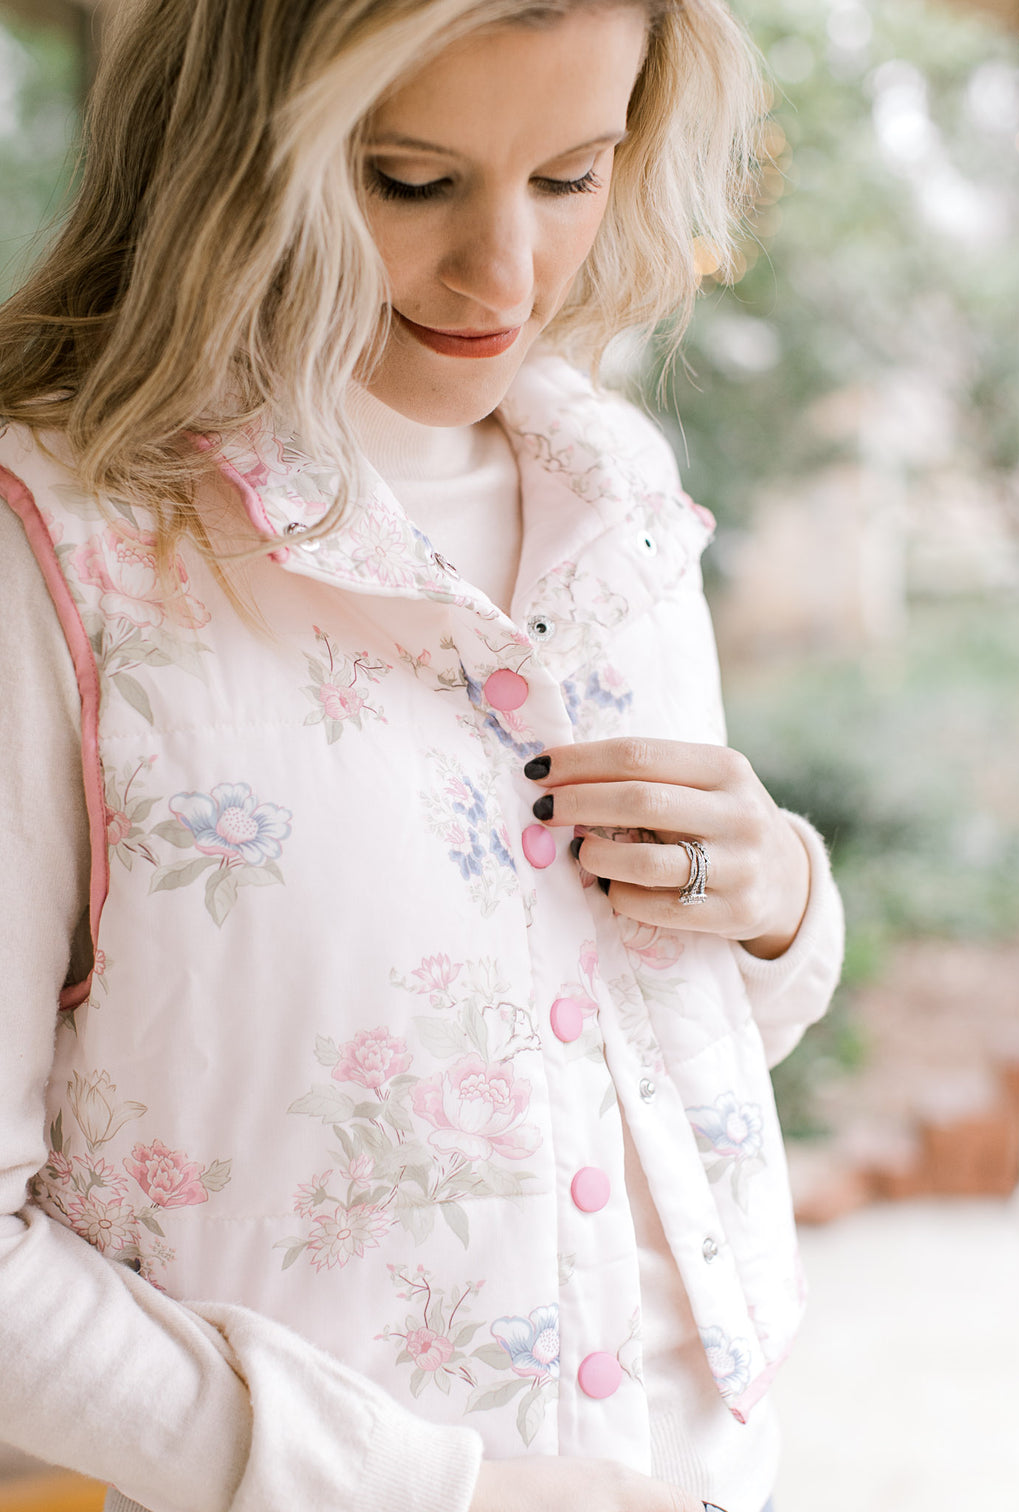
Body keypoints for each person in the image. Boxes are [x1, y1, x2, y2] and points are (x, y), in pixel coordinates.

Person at [0, 2, 844, 1510]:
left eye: (573, 174)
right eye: (409, 180)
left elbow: (593, 1045)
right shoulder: (50, 546)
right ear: (231, 152)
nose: (503, 276)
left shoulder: (613, 487)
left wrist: (777, 896)